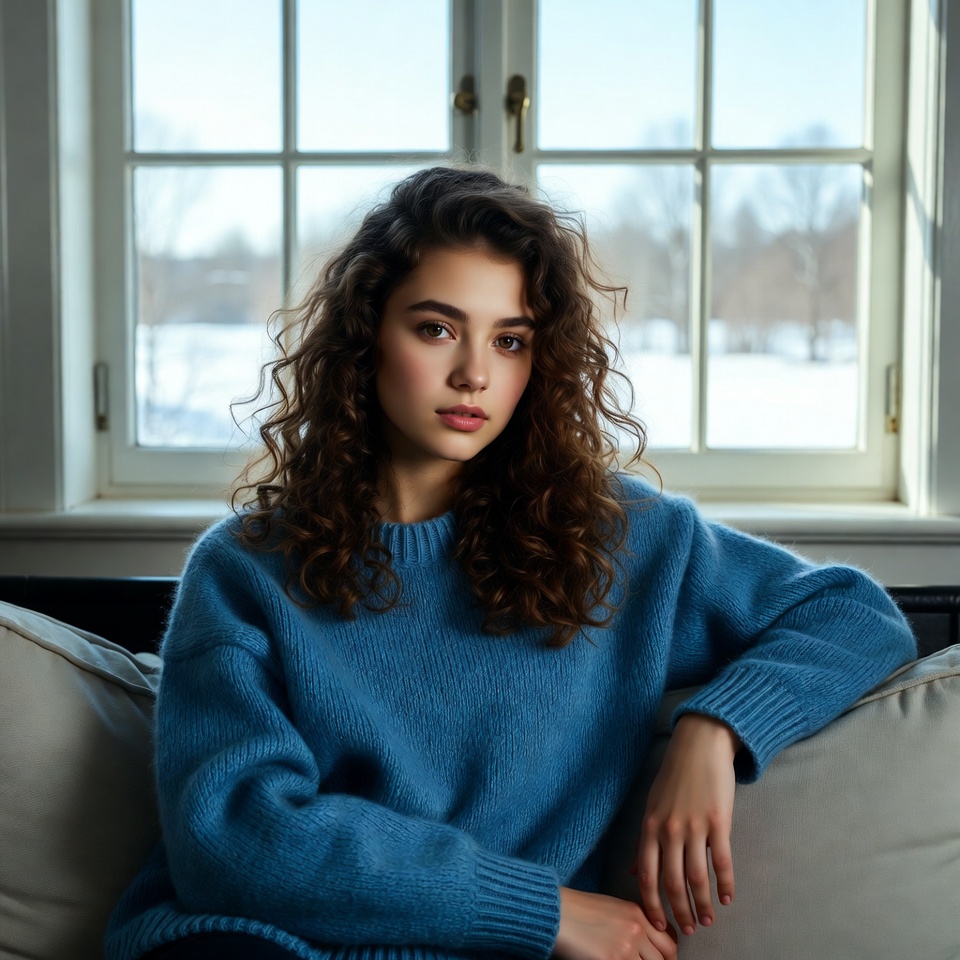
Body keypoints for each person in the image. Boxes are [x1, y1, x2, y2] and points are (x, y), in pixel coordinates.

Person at [105, 166, 915, 960]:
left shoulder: (623, 540)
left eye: (511, 340)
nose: (475, 375)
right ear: (365, 335)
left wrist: (715, 730)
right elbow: (231, 840)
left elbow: (854, 613)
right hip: (250, 944)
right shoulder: (244, 570)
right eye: (436, 328)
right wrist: (539, 907)